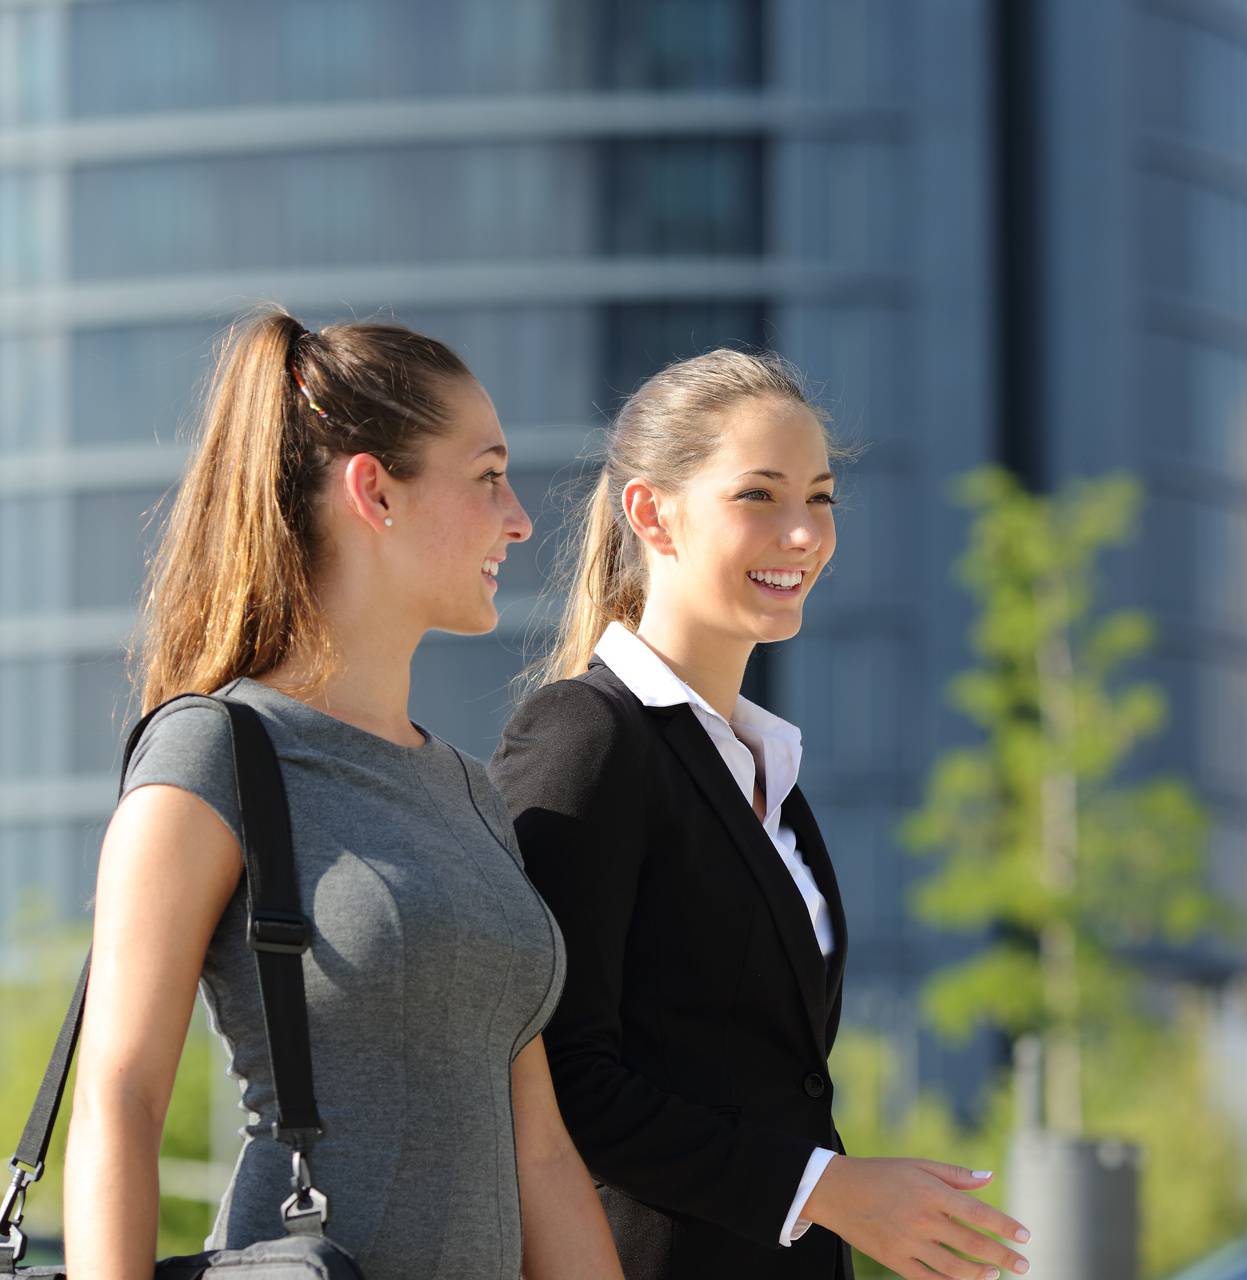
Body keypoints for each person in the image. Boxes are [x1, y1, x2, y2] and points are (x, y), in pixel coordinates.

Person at [62, 311, 622, 1280]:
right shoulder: (215, 751)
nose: (520, 516)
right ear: (376, 491)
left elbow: (542, 1156)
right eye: (487, 476)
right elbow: (121, 1096)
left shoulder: (472, 794)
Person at [491, 349, 1032, 1280]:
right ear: (652, 514)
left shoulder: (762, 768)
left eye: (820, 499)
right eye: (760, 497)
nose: (803, 535)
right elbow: (555, 1082)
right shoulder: (586, 737)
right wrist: (826, 1189)